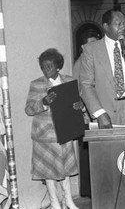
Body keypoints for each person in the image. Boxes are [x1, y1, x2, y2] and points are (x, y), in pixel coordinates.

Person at [25, 49, 79, 209]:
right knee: (48, 172)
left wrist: (79, 107)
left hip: (65, 132)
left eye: (49, 66)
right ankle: (55, 203)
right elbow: (28, 109)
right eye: (43, 67)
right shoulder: (36, 84)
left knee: (66, 170)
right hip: (45, 136)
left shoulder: (69, 81)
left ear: (58, 66)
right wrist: (43, 102)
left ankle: (68, 200)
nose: (46, 69)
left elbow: (75, 106)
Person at [72, 29, 100, 198]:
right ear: (83, 46)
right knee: (87, 154)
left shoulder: (96, 60)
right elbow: (77, 89)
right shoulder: (80, 63)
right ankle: (89, 191)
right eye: (90, 44)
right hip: (86, 116)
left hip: (98, 113)